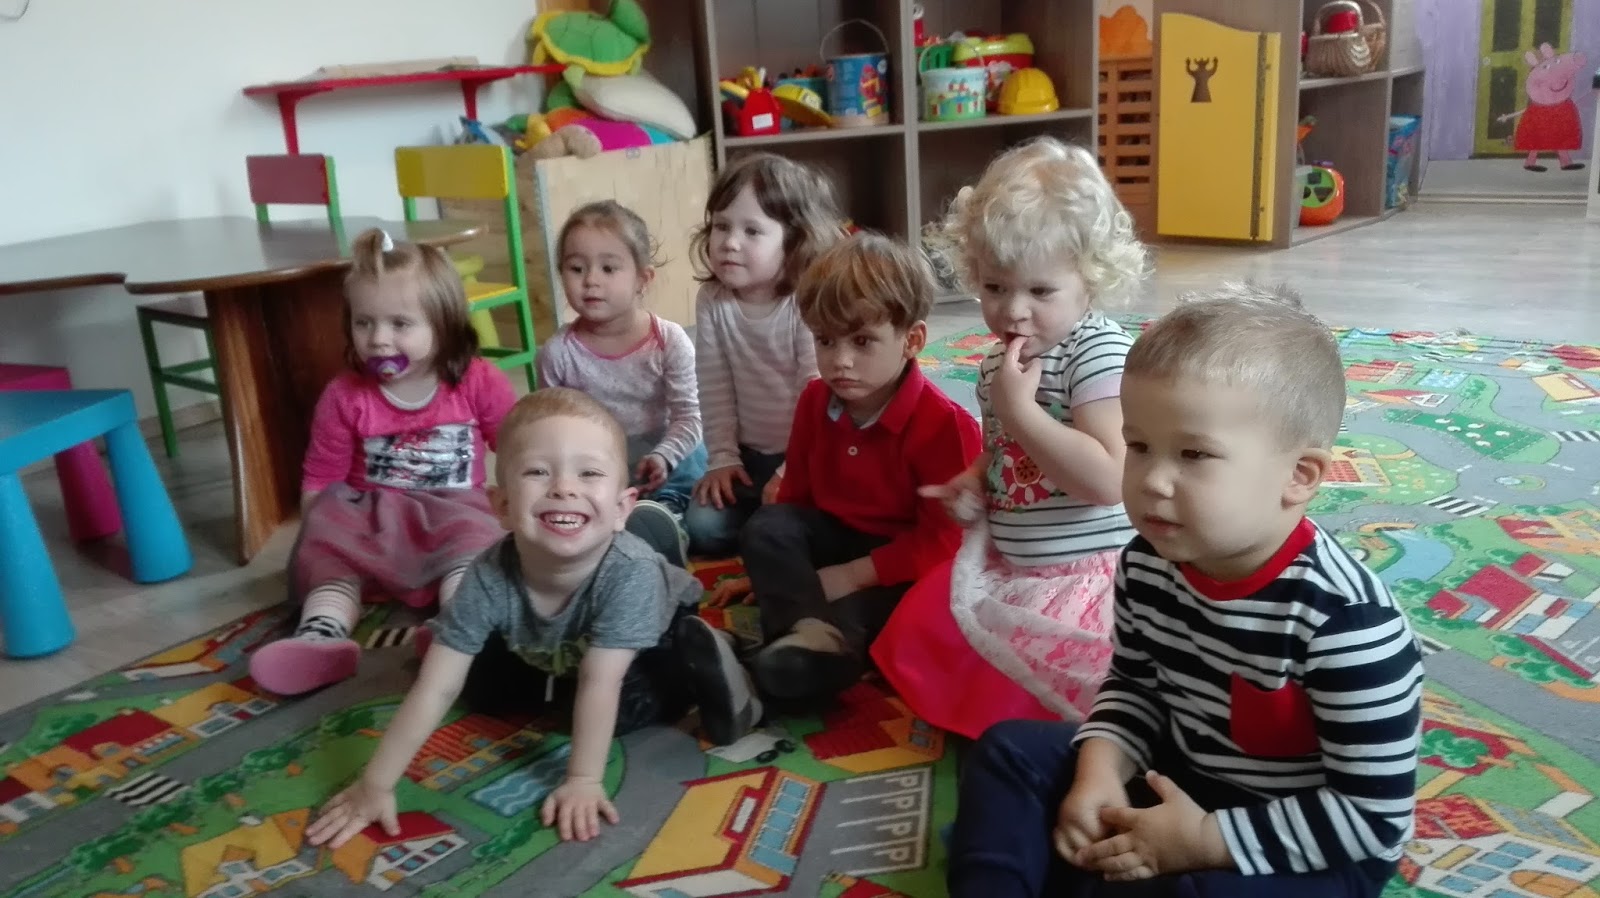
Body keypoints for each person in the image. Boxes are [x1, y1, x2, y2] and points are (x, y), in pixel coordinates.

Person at [946, 284, 1425, 898]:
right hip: (1182, 776)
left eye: (1194, 454)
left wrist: (1204, 840)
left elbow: (1371, 819)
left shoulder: (1348, 626)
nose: (1153, 480)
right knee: (1008, 752)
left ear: (1298, 476)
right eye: (1139, 446)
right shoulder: (1147, 563)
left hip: (1305, 845)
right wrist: (1099, 772)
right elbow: (1134, 687)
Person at [304, 388, 760, 850]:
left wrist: (582, 780)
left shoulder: (629, 574)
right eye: (538, 472)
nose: (563, 487)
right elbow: (437, 685)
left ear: (621, 506)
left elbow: (600, 682)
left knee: (626, 708)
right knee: (482, 689)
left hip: (654, 631)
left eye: (588, 473)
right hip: (555, 641)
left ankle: (706, 637)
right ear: (501, 506)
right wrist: (375, 785)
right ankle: (526, 653)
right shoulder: (487, 572)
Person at [872, 137, 1149, 738]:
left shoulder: (1096, 353)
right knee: (926, 620)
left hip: (1087, 576)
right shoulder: (999, 365)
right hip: (1018, 565)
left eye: (1040, 291)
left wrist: (1019, 411)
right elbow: (1005, 452)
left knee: (1072, 693)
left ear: (1091, 280)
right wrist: (975, 481)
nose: (1013, 311)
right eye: (995, 288)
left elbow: (1110, 478)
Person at [708, 232, 981, 703]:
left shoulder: (945, 426)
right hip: (832, 541)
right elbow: (796, 497)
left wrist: (852, 575)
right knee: (766, 527)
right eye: (825, 340)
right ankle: (800, 642)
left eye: (862, 341)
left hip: (901, 564)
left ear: (912, 340)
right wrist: (776, 574)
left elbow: (944, 544)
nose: (841, 361)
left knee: (872, 616)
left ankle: (771, 662)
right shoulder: (815, 400)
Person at [249, 227, 517, 697]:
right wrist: (321, 539)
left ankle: (456, 630)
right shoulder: (344, 395)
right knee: (330, 557)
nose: (378, 339)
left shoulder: (478, 382)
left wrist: (522, 505)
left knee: (477, 548)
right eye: (364, 323)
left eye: (399, 324)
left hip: (455, 510)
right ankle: (321, 637)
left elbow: (517, 447)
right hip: (370, 516)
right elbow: (322, 477)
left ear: (444, 325)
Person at [685, 152, 843, 556]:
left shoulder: (803, 302)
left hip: (808, 456)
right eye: (721, 226)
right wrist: (722, 458)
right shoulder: (713, 300)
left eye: (752, 230)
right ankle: (768, 527)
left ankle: (774, 529)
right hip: (748, 458)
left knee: (826, 521)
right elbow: (714, 386)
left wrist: (791, 470)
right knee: (703, 528)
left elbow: (816, 395)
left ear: (794, 242)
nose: (729, 242)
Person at [537, 200, 706, 550]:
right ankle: (640, 527)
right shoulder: (557, 353)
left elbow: (690, 417)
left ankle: (667, 520)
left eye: (609, 268)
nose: (591, 281)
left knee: (707, 520)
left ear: (643, 278)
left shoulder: (668, 341)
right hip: (602, 465)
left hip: (670, 454)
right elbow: (552, 430)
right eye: (576, 268)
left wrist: (664, 456)